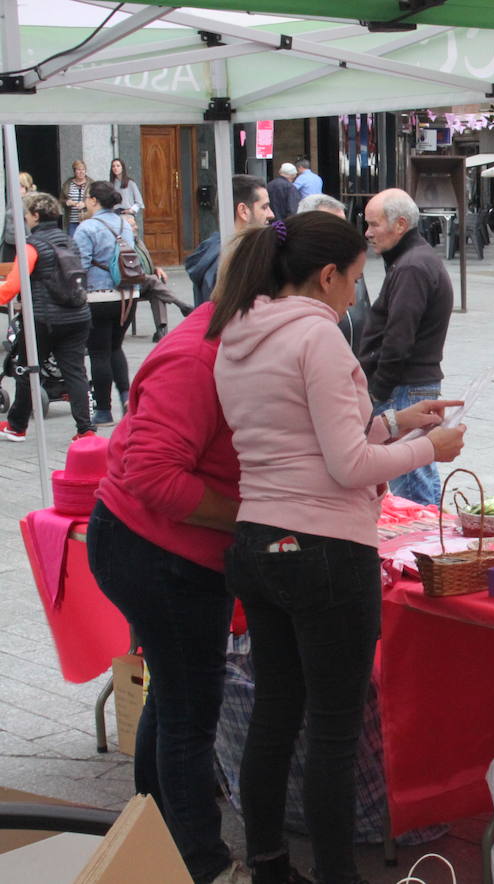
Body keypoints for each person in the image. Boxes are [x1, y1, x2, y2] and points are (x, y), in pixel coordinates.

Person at [211, 211, 465, 884]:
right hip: (323, 549)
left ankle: (269, 862)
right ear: (326, 276)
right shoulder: (316, 337)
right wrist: (426, 448)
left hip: (261, 540)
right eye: (354, 280)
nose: (358, 296)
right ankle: (334, 875)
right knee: (332, 730)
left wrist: (393, 421)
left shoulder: (239, 330)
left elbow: (307, 433)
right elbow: (346, 465)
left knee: (277, 712)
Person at [85, 221, 249, 884]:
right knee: (188, 710)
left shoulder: (231, 344)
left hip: (164, 554)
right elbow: (154, 476)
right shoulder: (197, 355)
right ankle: (200, 864)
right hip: (156, 555)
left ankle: (148, 831)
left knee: (174, 695)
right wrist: (251, 516)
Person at [358, 188, 454, 505]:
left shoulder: (412, 266)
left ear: (400, 225)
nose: (368, 233)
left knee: (412, 479)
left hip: (405, 387)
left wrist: (377, 392)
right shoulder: (411, 260)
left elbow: (399, 339)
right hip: (408, 385)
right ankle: (428, 541)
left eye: (374, 225)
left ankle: (422, 547)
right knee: (415, 472)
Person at [0, 192, 94, 442]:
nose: (26, 219)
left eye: (27, 214)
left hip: (45, 320)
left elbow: (11, 287)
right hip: (78, 315)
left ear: (36, 216)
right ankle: (85, 429)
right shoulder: (69, 241)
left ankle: (17, 426)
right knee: (75, 372)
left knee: (27, 369)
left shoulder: (32, 245)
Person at [75, 180, 136, 425]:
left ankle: (103, 410)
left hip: (98, 296)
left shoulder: (87, 227)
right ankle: (127, 397)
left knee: (99, 352)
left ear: (93, 200)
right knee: (115, 347)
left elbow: (81, 265)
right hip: (128, 295)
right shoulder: (124, 223)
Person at [185, 175, 272, 307]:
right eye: (264, 207)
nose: (271, 214)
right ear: (243, 211)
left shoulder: (215, 252)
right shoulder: (230, 259)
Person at [300, 193, 372, 354]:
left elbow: (362, 309)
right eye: (334, 226)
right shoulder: (296, 273)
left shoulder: (349, 262)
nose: (343, 233)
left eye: (344, 225)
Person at [125, 212, 193, 343]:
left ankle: (161, 330)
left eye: (135, 224)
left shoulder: (139, 242)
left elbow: (146, 262)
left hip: (145, 282)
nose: (136, 227)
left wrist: (156, 268)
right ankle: (180, 304)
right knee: (155, 282)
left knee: (157, 290)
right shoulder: (123, 244)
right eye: (132, 225)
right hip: (130, 282)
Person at [2, 171, 34, 261]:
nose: (17, 189)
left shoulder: (30, 201)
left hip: (24, 242)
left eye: (21, 186)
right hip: (9, 242)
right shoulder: (12, 200)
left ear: (26, 187)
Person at [62, 159, 91, 235]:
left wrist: (85, 204)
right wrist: (66, 202)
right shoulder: (68, 184)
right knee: (73, 243)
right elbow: (61, 200)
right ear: (74, 171)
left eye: (83, 169)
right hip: (72, 221)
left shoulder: (91, 183)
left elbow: (96, 200)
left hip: (87, 219)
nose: (81, 172)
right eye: (78, 170)